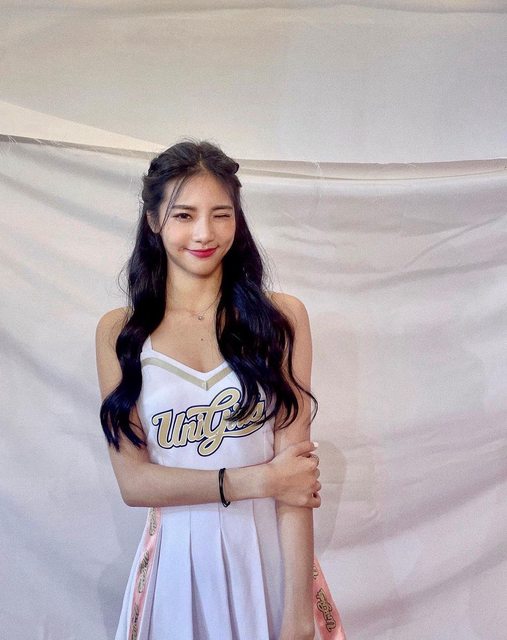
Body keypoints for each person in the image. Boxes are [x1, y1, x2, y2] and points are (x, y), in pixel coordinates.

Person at [96, 139, 322, 640]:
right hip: (174, 568)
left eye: (221, 215)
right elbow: (135, 484)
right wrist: (259, 479)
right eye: (184, 215)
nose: (204, 233)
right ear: (153, 220)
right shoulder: (120, 332)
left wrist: (299, 619)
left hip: (265, 560)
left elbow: (296, 483)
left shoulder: (281, 319)